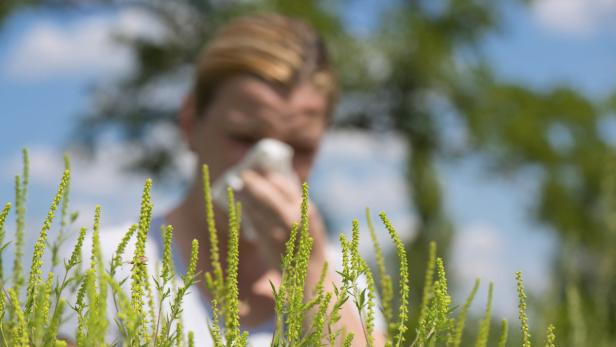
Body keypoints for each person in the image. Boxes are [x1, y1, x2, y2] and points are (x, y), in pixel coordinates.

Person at [62, 13, 385, 346]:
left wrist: (309, 272)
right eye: (244, 138)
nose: (268, 168)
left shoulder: (341, 276)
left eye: (300, 147)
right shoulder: (111, 261)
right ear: (190, 123)